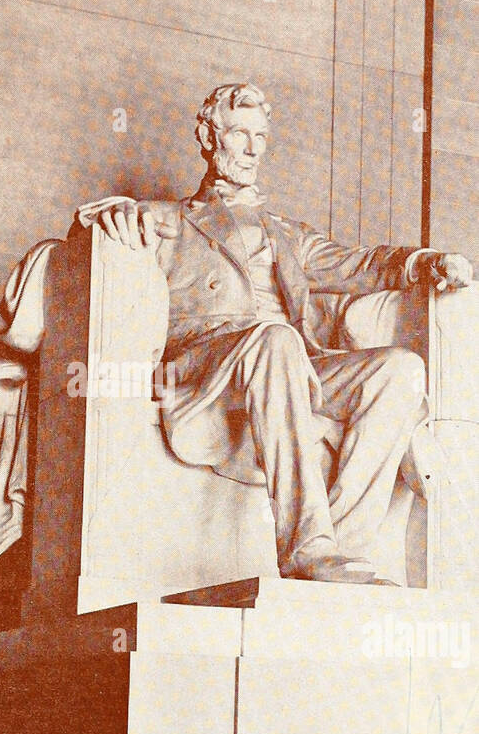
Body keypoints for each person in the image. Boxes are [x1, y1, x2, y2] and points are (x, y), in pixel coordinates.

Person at [77, 82, 473, 584]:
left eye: (259, 136)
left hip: (286, 362)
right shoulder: (169, 218)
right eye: (238, 133)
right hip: (205, 361)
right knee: (275, 339)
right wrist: (116, 212)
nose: (251, 148)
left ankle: (346, 552)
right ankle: (306, 546)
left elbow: (361, 265)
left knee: (400, 370)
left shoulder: (288, 233)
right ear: (207, 136)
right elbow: (89, 229)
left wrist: (423, 263)